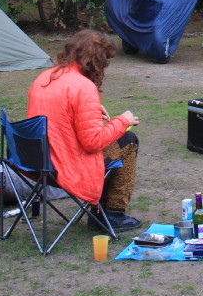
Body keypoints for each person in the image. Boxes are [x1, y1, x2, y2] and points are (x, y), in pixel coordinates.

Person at [26, 29, 143, 231]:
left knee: (119, 139)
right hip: (64, 164)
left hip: (35, 160)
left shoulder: (46, 77)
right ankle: (111, 214)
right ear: (96, 60)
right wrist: (123, 121)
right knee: (128, 140)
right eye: (104, 61)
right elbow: (92, 143)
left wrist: (89, 109)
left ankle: (102, 213)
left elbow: (56, 111)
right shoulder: (83, 86)